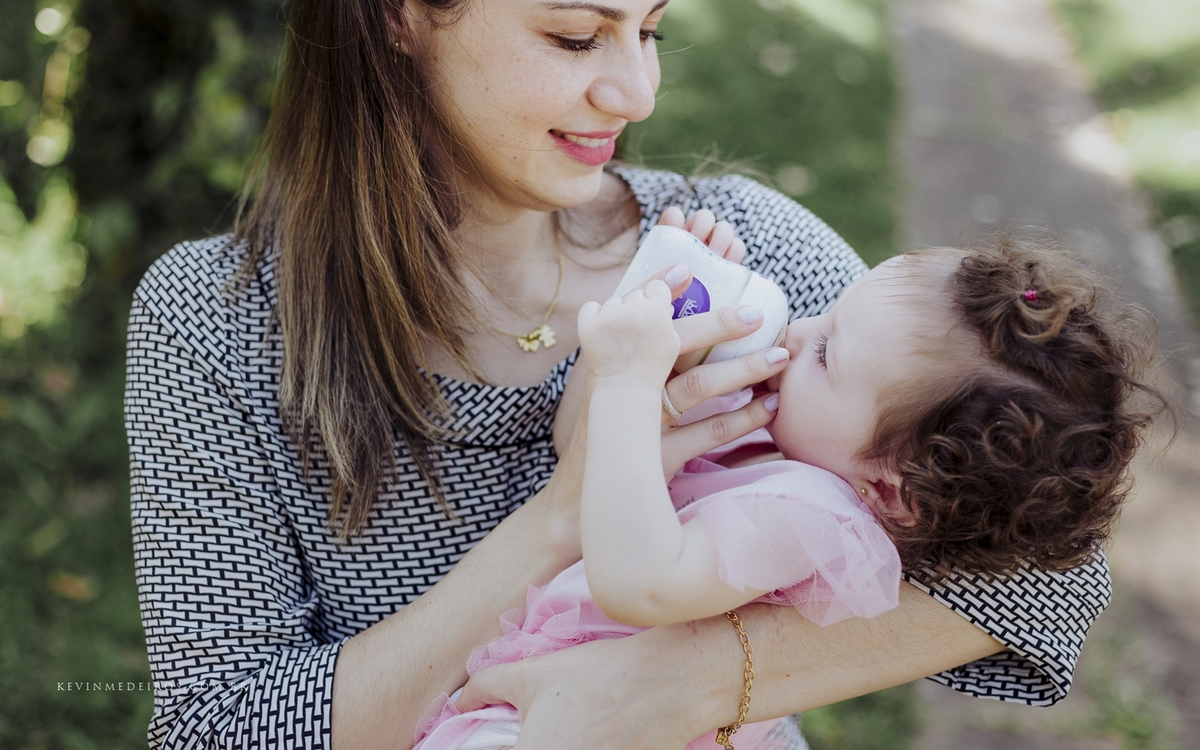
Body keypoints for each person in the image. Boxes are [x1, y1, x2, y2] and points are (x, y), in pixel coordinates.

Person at [123, 0, 1123, 748]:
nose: (637, 93)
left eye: (649, 28)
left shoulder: (743, 256)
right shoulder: (216, 328)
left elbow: (1050, 572)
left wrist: (685, 680)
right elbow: (227, 727)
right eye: (573, 36)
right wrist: (564, 508)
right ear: (397, 16)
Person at [411, 236, 1159, 750]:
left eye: (829, 352)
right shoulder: (778, 443)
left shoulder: (810, 514)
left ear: (892, 491)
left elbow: (637, 582)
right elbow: (580, 450)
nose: (798, 334)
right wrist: (662, 329)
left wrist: (636, 386)